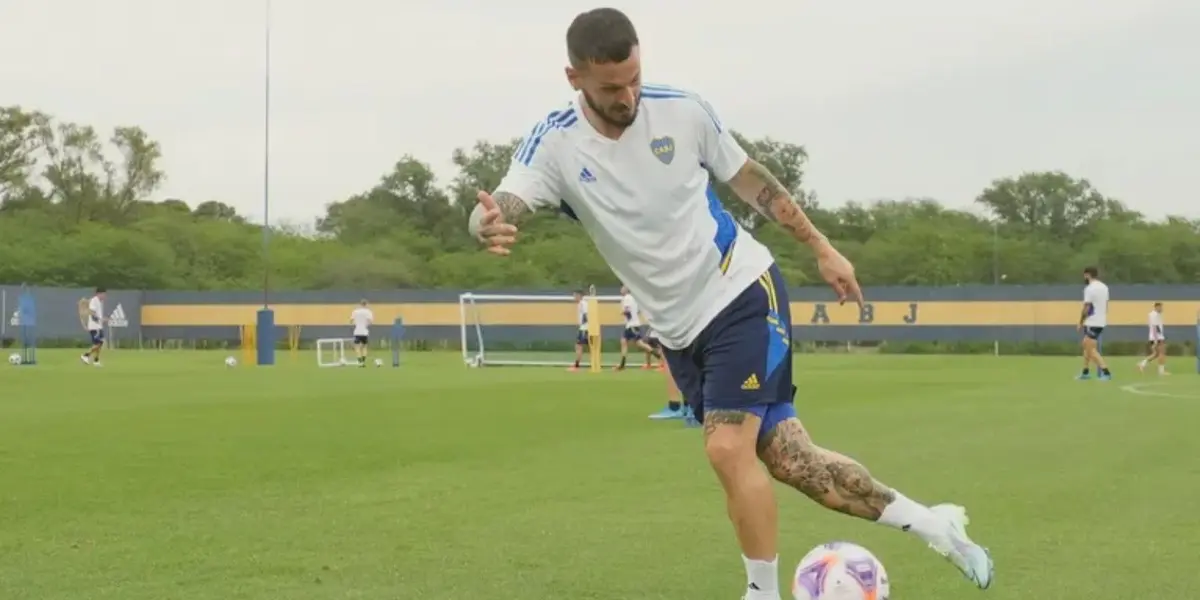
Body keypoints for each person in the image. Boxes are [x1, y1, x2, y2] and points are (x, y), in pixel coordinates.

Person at [467, 8, 992, 597]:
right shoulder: (556, 142)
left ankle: (761, 593)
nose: (629, 95)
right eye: (612, 87)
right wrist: (484, 225)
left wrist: (822, 247)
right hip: (679, 330)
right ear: (574, 79)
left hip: (740, 289)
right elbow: (501, 204)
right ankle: (935, 524)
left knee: (724, 447)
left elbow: (751, 180)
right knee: (797, 466)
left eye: (635, 77)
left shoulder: (683, 111)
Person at [1077, 266, 1112, 381]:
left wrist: (1081, 322)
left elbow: (1087, 307)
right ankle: (1085, 371)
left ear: (1087, 275)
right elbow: (1106, 305)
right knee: (1086, 345)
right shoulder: (1104, 287)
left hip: (1092, 321)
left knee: (1090, 349)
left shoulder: (1090, 288)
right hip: (1100, 321)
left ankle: (1106, 371)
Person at [618, 285, 657, 370]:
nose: (621, 289)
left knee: (638, 343)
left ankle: (657, 354)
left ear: (626, 290)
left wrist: (623, 313)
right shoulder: (633, 298)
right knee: (624, 341)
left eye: (622, 288)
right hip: (632, 324)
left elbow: (627, 311)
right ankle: (622, 365)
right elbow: (638, 310)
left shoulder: (627, 298)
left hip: (631, 325)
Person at [1138, 302, 1168, 375]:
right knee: (1162, 353)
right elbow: (1154, 328)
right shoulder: (1154, 315)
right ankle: (1161, 371)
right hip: (1157, 337)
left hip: (1156, 337)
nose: (1162, 309)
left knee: (1156, 354)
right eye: (1160, 307)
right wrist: (1155, 340)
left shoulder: (1155, 314)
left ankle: (1142, 364)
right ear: (1156, 307)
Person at [80, 287, 106, 367]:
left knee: (99, 344)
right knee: (99, 343)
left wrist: (102, 319)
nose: (104, 296)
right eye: (103, 294)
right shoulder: (94, 300)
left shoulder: (99, 302)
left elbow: (97, 314)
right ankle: (86, 355)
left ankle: (96, 360)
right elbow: (91, 312)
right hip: (94, 326)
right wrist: (99, 319)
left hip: (99, 326)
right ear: (99, 293)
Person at [350, 299, 374, 367]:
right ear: (366, 304)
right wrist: (366, 325)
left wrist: (355, 323)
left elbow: (351, 320)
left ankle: (359, 361)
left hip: (357, 331)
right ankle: (363, 361)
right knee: (364, 347)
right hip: (364, 332)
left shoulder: (355, 311)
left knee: (357, 347)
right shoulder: (368, 312)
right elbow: (370, 321)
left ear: (360, 304)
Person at [570, 289, 589, 371]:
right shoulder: (582, 303)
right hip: (584, 328)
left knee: (579, 346)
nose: (574, 297)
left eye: (575, 295)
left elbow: (586, 315)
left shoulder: (582, 303)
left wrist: (584, 325)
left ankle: (576, 366)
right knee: (581, 346)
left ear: (579, 295)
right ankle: (577, 364)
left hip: (584, 328)